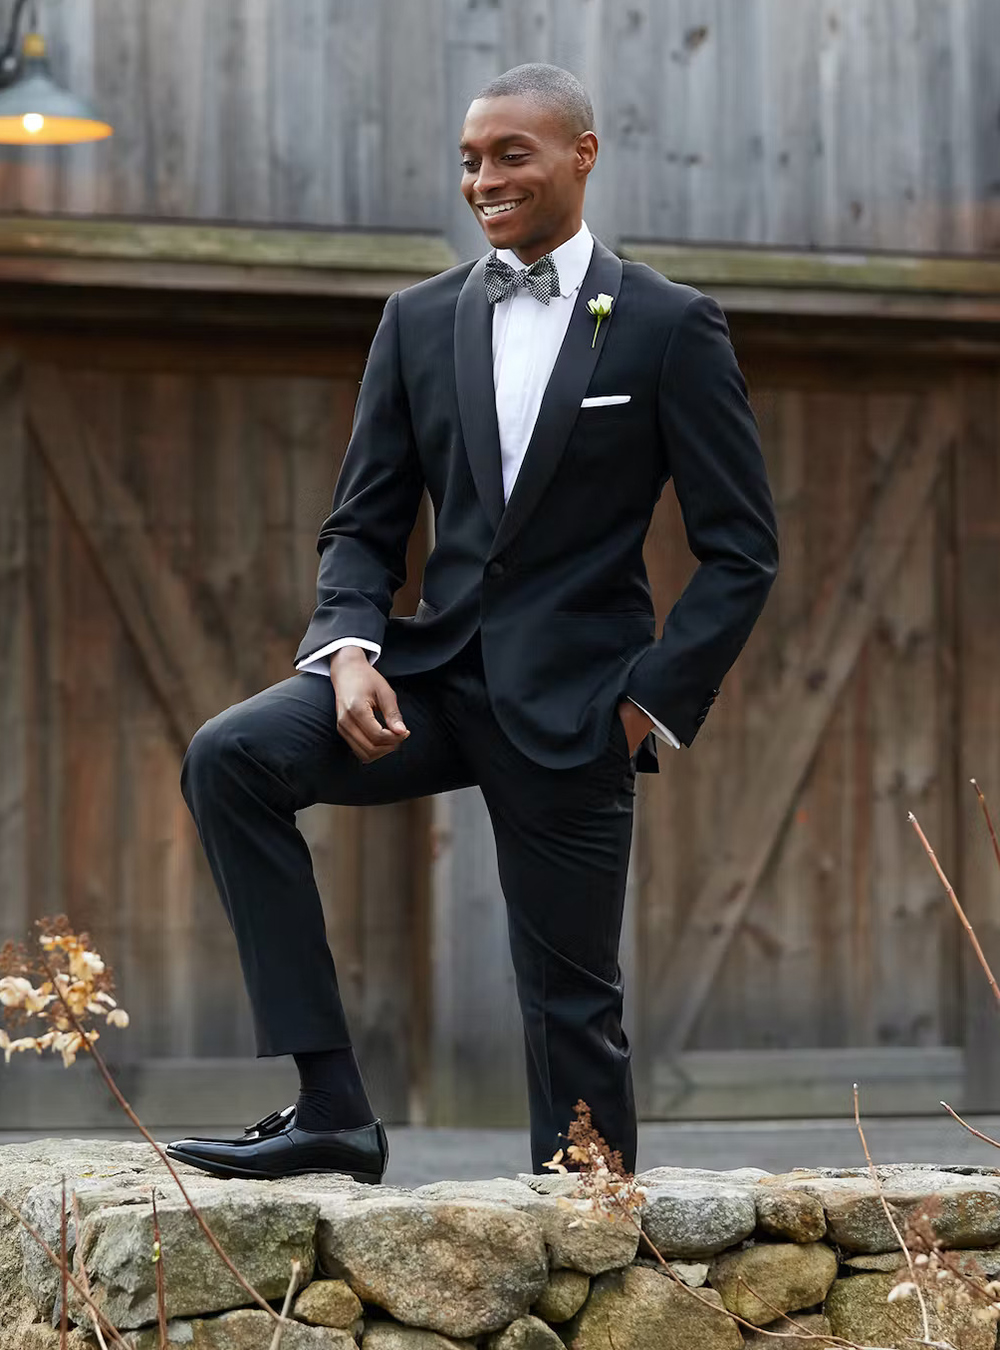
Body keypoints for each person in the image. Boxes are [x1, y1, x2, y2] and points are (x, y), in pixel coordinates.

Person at [166, 62, 778, 1185]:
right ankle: (333, 1108)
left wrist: (647, 704)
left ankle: (583, 1224)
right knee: (232, 758)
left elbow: (743, 548)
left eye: (510, 154)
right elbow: (361, 524)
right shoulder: (416, 320)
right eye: (468, 159)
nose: (483, 178)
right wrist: (349, 649)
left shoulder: (667, 325)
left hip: (583, 704)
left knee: (572, 1001)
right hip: (432, 675)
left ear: (581, 155)